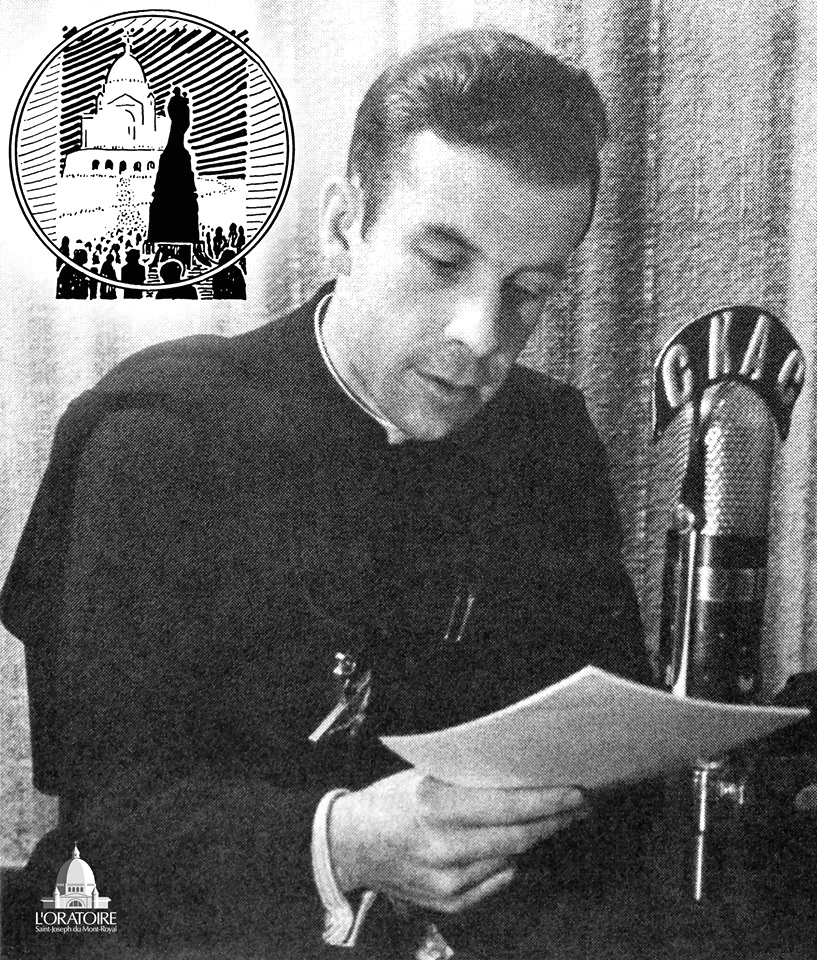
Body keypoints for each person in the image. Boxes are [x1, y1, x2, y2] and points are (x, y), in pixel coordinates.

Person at [2, 30, 652, 959]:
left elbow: (608, 755)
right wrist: (346, 842)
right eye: (441, 262)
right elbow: (111, 819)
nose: (479, 334)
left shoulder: (545, 439)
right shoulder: (157, 434)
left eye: (529, 290)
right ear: (343, 223)